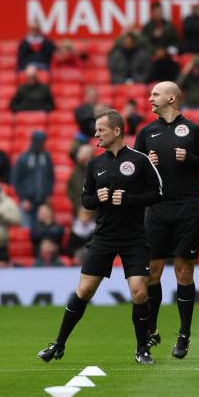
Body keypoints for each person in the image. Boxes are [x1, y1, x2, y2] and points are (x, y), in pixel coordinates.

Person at [37, 109, 163, 365]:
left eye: (101, 130)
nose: (96, 134)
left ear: (116, 131)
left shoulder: (140, 160)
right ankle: (58, 344)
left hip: (134, 238)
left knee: (139, 293)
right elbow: (86, 199)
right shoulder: (95, 164)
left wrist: (130, 200)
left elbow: (158, 193)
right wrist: (97, 199)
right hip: (104, 236)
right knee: (84, 290)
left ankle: (142, 349)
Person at [134, 81, 199, 358]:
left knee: (184, 271)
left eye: (155, 94)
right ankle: (152, 328)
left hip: (187, 208)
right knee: (152, 273)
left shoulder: (194, 130)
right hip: (156, 210)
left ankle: (184, 336)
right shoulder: (146, 133)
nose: (150, 98)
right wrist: (147, 162)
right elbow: (133, 174)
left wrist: (191, 158)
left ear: (171, 98)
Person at [12, 131, 55, 229]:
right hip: (28, 202)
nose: (44, 145)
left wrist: (49, 194)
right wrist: (23, 199)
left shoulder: (46, 157)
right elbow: (16, 181)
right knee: (27, 229)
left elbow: (51, 177)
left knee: (44, 229)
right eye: (42, 142)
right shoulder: (23, 158)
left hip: (43, 202)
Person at [67, 143, 93, 215]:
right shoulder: (75, 172)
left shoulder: (97, 170)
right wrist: (77, 205)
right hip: (78, 211)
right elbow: (70, 191)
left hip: (94, 213)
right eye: (82, 153)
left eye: (87, 154)